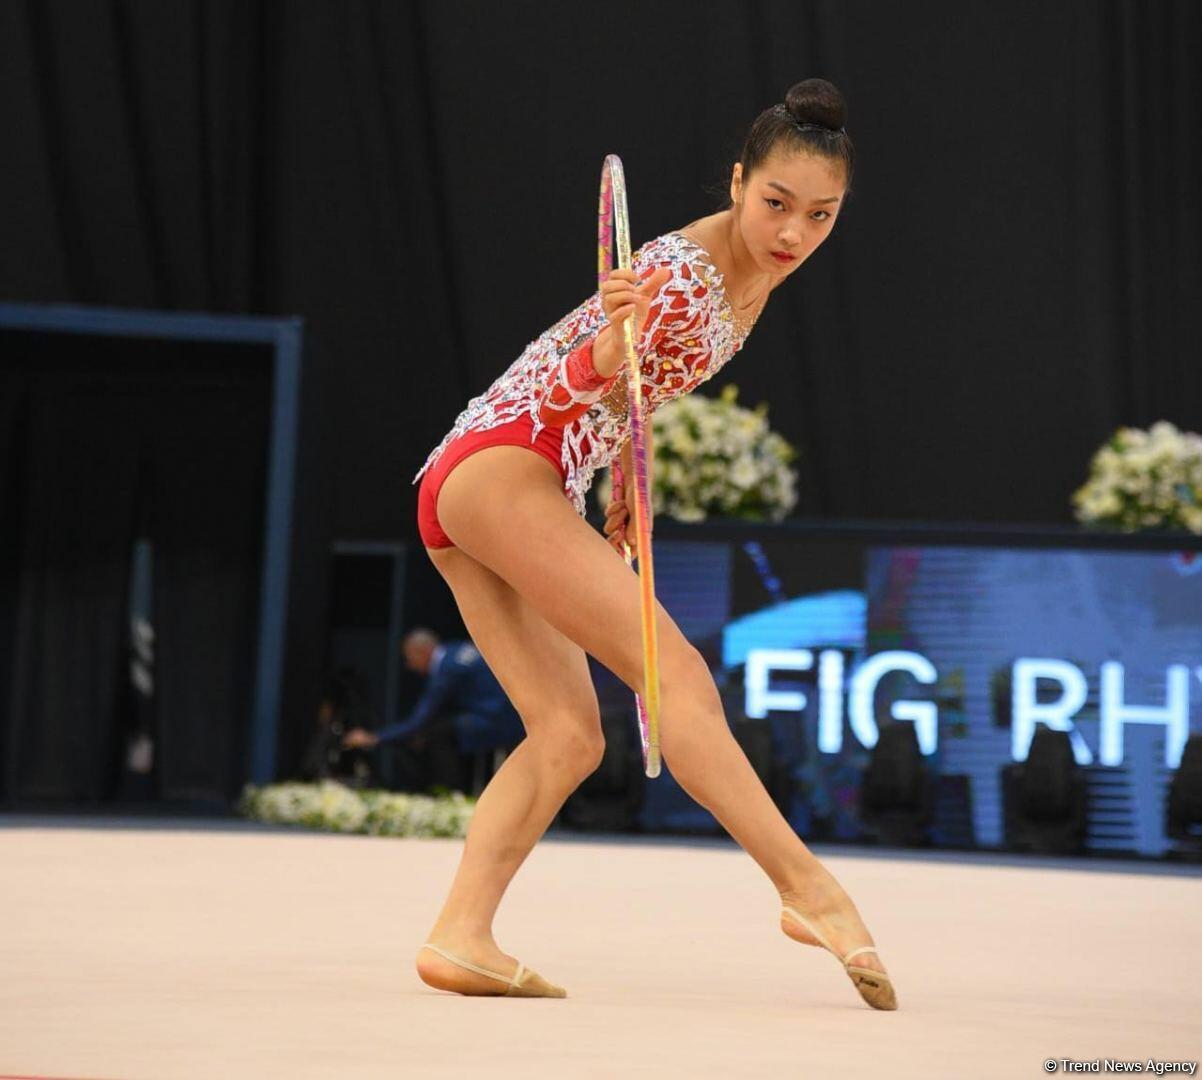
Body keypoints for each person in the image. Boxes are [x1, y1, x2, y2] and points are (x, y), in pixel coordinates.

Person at [408, 78, 897, 1008]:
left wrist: (629, 476)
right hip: (506, 466)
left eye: (820, 215)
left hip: (494, 477)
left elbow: (636, 389)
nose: (793, 232)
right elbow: (572, 379)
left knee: (567, 735)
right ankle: (808, 889)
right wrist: (600, 356)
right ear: (738, 180)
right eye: (776, 203)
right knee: (675, 678)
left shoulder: (755, 276)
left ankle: (460, 936)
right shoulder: (679, 272)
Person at [342, 629, 524, 793]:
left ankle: (449, 793)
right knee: (442, 729)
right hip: (514, 716)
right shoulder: (455, 649)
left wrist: (375, 738)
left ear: (421, 652)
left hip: (499, 721)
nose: (409, 665)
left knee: (433, 734)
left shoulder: (447, 669)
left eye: (409, 657)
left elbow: (419, 721)